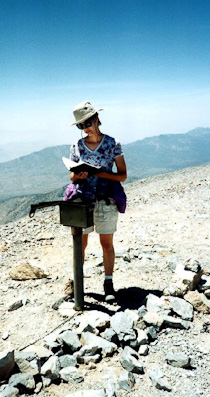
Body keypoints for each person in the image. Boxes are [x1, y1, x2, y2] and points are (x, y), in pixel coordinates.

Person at [69, 100, 127, 302]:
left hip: (105, 200)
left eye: (87, 123)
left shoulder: (112, 144)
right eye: (80, 125)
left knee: (106, 244)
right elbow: (71, 176)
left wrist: (102, 174)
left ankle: (108, 283)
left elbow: (122, 175)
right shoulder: (76, 146)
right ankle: (78, 284)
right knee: (80, 244)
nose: (84, 129)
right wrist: (79, 175)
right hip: (83, 201)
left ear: (97, 120)